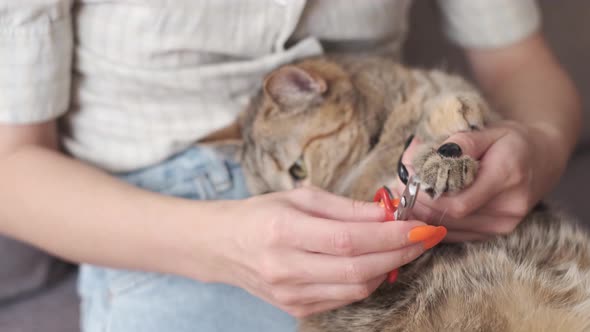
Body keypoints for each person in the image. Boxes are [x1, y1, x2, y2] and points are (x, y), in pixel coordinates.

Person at [0, 1, 580, 331]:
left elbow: (519, 62)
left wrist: (540, 148)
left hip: (402, 174)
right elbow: (11, 166)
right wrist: (216, 245)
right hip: (160, 228)